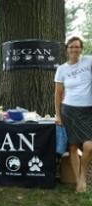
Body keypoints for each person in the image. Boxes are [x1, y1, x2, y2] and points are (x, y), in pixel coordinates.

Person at [54, 36, 92, 193]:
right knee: (73, 146)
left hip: (88, 110)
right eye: (71, 47)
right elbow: (57, 93)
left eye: (77, 47)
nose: (74, 49)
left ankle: (83, 175)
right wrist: (58, 115)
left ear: (81, 49)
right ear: (66, 49)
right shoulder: (61, 69)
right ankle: (79, 181)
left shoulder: (89, 61)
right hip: (68, 110)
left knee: (89, 146)